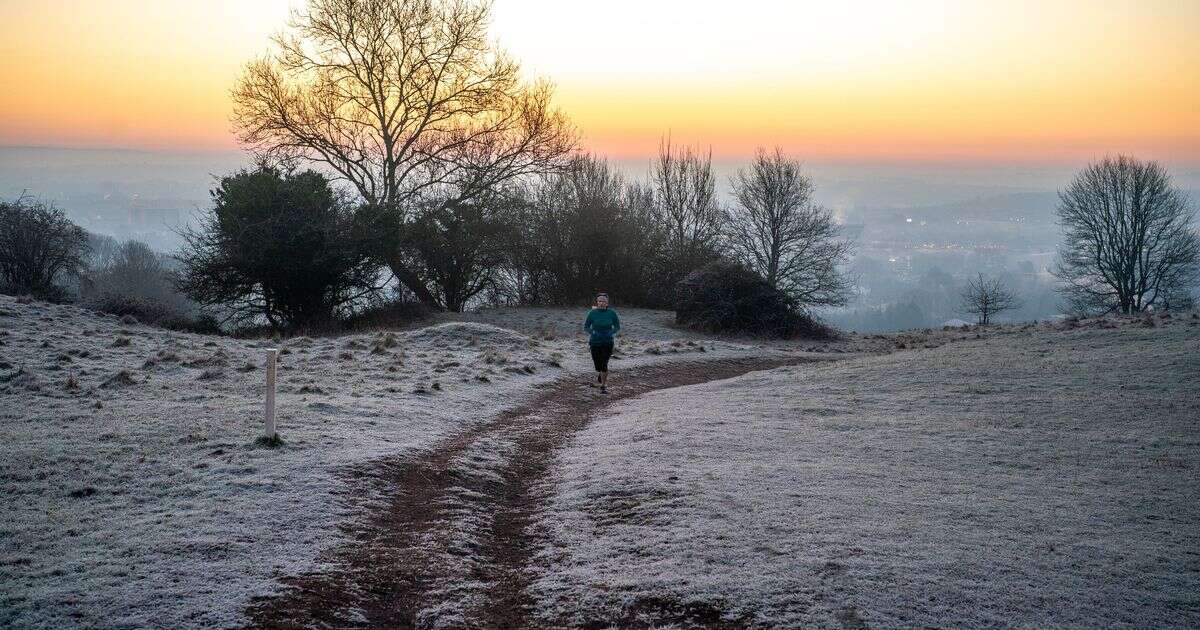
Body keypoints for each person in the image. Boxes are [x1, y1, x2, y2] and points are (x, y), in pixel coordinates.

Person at [583, 293, 620, 393]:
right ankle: (600, 373)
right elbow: (586, 327)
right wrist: (593, 332)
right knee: (598, 365)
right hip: (595, 342)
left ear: (607, 302)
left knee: (604, 364)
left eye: (603, 301)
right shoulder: (592, 313)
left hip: (608, 342)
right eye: (599, 301)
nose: (601, 303)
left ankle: (603, 386)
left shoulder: (612, 313)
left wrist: (611, 332)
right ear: (597, 302)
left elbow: (617, 326)